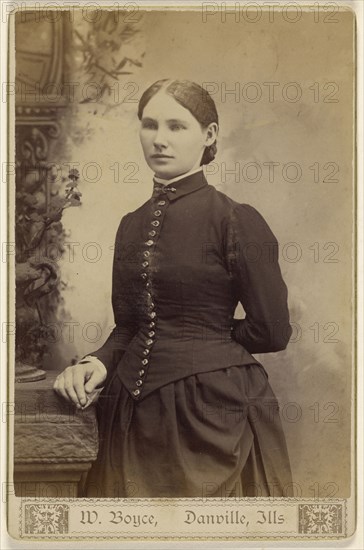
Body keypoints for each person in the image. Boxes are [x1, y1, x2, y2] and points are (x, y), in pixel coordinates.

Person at [54, 79, 293, 498]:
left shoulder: (235, 220)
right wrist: (99, 363)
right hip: (133, 413)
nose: (159, 140)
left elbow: (272, 331)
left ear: (210, 135)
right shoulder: (130, 225)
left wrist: (201, 336)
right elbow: (129, 326)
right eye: (150, 125)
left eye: (176, 127)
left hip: (213, 412)